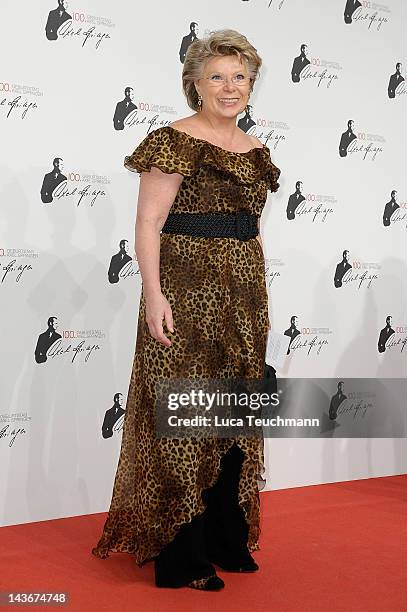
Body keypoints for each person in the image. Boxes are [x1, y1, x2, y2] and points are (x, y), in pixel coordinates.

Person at [91, 28, 281, 592]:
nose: (231, 87)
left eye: (240, 76)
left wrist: (257, 300)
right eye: (218, 76)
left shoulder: (255, 148)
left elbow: (249, 232)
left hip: (243, 296)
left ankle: (226, 535)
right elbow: (148, 221)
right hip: (185, 292)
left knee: (234, 416)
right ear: (195, 83)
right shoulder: (173, 140)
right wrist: (154, 293)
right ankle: (182, 552)